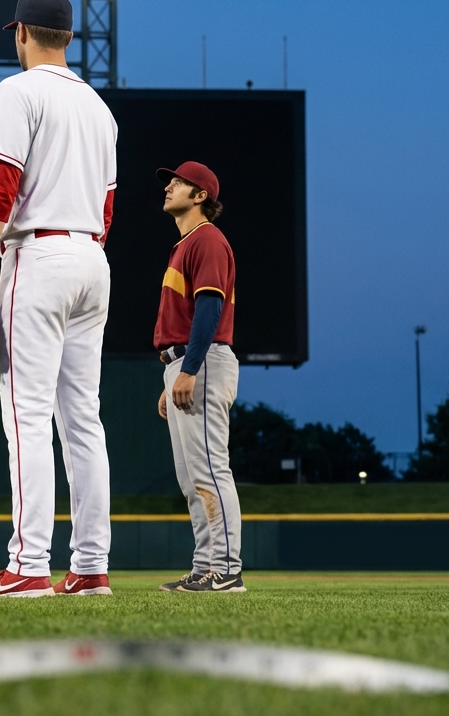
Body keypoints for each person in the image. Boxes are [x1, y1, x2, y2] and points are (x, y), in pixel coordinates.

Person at [0, 0, 118, 598]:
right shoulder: (100, 110)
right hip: (92, 260)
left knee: (26, 414)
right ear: (69, 38)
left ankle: (26, 566)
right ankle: (91, 566)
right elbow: (106, 209)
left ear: (21, 33)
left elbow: (0, 187)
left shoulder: (16, 92)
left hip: (38, 255)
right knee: (83, 418)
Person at [152, 162, 246, 593]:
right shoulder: (187, 243)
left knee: (209, 471)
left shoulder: (207, 239)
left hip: (202, 361)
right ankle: (206, 565)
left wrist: (187, 369)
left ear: (200, 195)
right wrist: (172, 377)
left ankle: (227, 570)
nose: (169, 185)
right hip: (187, 363)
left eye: (178, 182)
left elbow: (209, 308)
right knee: (192, 479)